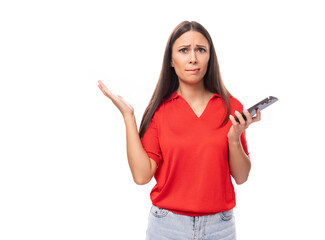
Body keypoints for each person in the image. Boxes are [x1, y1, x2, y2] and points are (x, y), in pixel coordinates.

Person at [98, 20, 261, 240]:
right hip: (167, 227)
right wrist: (129, 117)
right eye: (184, 50)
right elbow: (141, 175)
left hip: (219, 228)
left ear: (210, 57)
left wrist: (234, 139)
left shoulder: (231, 107)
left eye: (201, 50)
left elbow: (241, 177)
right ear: (171, 61)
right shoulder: (160, 111)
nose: (193, 58)